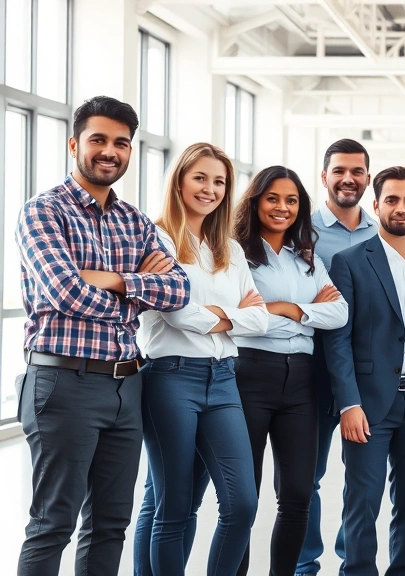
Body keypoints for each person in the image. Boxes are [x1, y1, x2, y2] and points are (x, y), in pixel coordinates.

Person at [15, 95, 189, 576]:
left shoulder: (134, 221)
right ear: (75, 144)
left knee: (112, 522)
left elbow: (179, 290)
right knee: (54, 521)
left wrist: (113, 280)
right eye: (98, 140)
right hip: (63, 383)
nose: (109, 151)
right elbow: (66, 293)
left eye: (121, 143)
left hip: (127, 385)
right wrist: (139, 290)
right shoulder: (43, 213)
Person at [135, 142, 267, 576]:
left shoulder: (229, 249)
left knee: (242, 503)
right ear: (179, 181)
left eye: (219, 182)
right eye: (200, 178)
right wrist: (234, 316)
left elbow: (261, 319)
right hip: (170, 379)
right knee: (173, 504)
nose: (210, 189)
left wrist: (217, 317)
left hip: (224, 379)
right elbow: (173, 310)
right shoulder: (154, 239)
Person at [324, 166, 405, 576]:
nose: (400, 208)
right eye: (391, 200)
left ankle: (403, 570)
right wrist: (348, 404)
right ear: (375, 205)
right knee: (363, 499)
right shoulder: (349, 262)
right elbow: (337, 340)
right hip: (369, 403)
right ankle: (357, 571)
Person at [233, 166, 350, 575]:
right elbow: (244, 320)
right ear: (255, 201)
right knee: (242, 497)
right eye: (273, 198)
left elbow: (339, 313)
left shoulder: (307, 258)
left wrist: (285, 309)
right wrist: (305, 314)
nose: (282, 207)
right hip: (249, 375)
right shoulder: (236, 255)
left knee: (298, 493)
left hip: (301, 380)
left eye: (292, 200)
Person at [299, 138, 378, 576]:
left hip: (359, 374)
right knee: (304, 480)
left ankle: (354, 562)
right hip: (308, 371)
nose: (348, 179)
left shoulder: (381, 231)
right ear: (324, 176)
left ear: (367, 177)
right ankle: (304, 565)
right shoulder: (300, 229)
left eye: (357, 171)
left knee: (361, 481)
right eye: (339, 171)